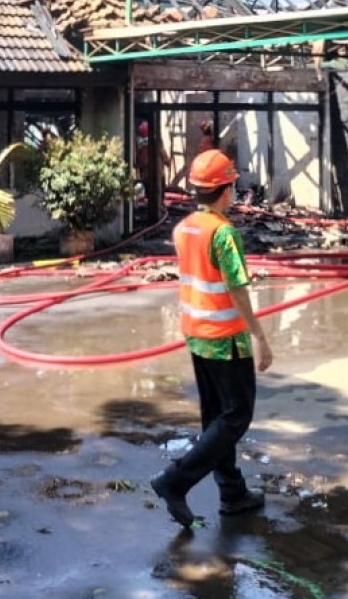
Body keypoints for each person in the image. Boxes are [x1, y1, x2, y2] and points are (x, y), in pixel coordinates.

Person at [151, 149, 274, 528]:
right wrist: (260, 337)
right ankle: (176, 480)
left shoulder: (183, 227)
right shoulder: (224, 233)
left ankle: (232, 493)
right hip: (225, 338)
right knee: (236, 416)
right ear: (225, 189)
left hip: (196, 333)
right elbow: (237, 288)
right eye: (233, 184)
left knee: (216, 419)